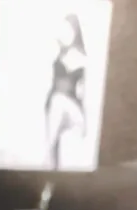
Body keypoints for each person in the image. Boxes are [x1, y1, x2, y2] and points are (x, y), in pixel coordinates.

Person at [45, 13, 88, 170]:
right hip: (55, 105)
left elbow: (82, 92)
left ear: (75, 31)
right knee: (52, 144)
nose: (65, 33)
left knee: (58, 102)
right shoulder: (57, 53)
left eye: (68, 30)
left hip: (71, 106)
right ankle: (50, 168)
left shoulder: (80, 57)